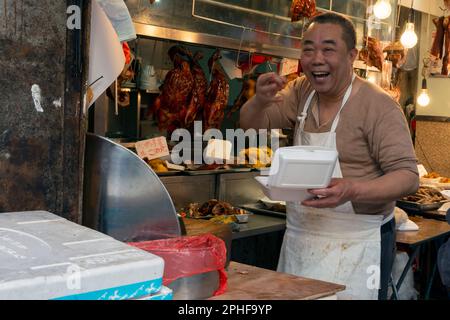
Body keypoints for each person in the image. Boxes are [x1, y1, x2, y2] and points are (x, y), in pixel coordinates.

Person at [240, 12, 419, 300]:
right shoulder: (302, 91)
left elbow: (408, 177)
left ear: (352, 55)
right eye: (308, 49)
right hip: (301, 235)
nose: (316, 58)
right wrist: (259, 101)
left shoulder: (378, 106)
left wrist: (353, 189)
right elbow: (251, 124)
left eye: (328, 49)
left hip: (359, 242)